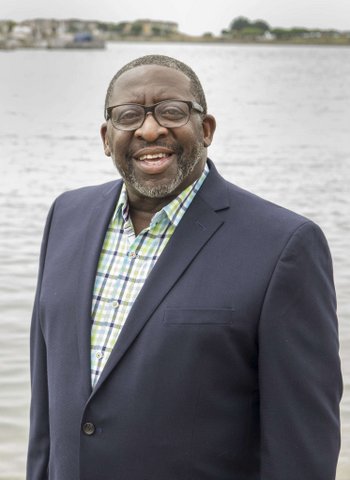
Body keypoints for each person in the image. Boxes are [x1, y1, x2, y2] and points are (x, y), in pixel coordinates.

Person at [27, 54, 342, 480]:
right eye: (129, 115)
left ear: (206, 129)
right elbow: (45, 409)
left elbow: (301, 445)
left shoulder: (284, 245)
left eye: (172, 112)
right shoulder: (66, 216)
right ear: (107, 137)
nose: (150, 129)